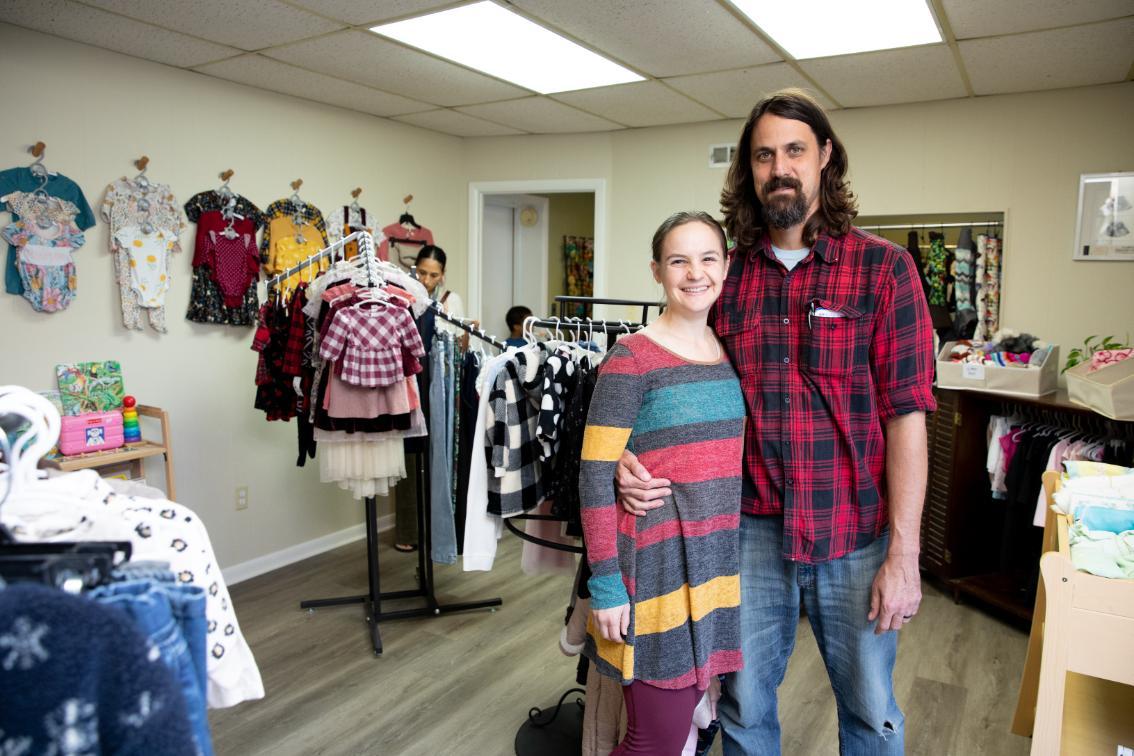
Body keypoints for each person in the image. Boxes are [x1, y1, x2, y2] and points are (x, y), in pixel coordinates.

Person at [617, 89, 937, 755]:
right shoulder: (724, 276)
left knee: (872, 713)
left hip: (855, 534)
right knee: (744, 710)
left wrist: (905, 556)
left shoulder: (885, 270)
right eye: (764, 155)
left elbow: (908, 418)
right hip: (750, 535)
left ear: (824, 157)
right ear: (749, 168)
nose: (780, 167)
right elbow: (670, 376)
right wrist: (626, 452)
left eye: (795, 150)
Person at [581, 211, 747, 755]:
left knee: (691, 732)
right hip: (656, 573)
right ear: (657, 271)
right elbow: (593, 474)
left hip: (714, 568)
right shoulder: (631, 358)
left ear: (725, 266)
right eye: (679, 260)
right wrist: (605, 584)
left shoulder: (726, 355)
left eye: (708, 258)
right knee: (655, 739)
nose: (694, 272)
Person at [394, 244, 466, 552]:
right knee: (409, 456)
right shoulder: (403, 299)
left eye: (433, 275)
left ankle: (440, 530)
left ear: (442, 276)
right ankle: (409, 530)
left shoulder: (451, 302)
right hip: (410, 382)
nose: (426, 279)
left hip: (441, 384)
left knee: (441, 454)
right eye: (422, 272)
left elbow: (461, 346)